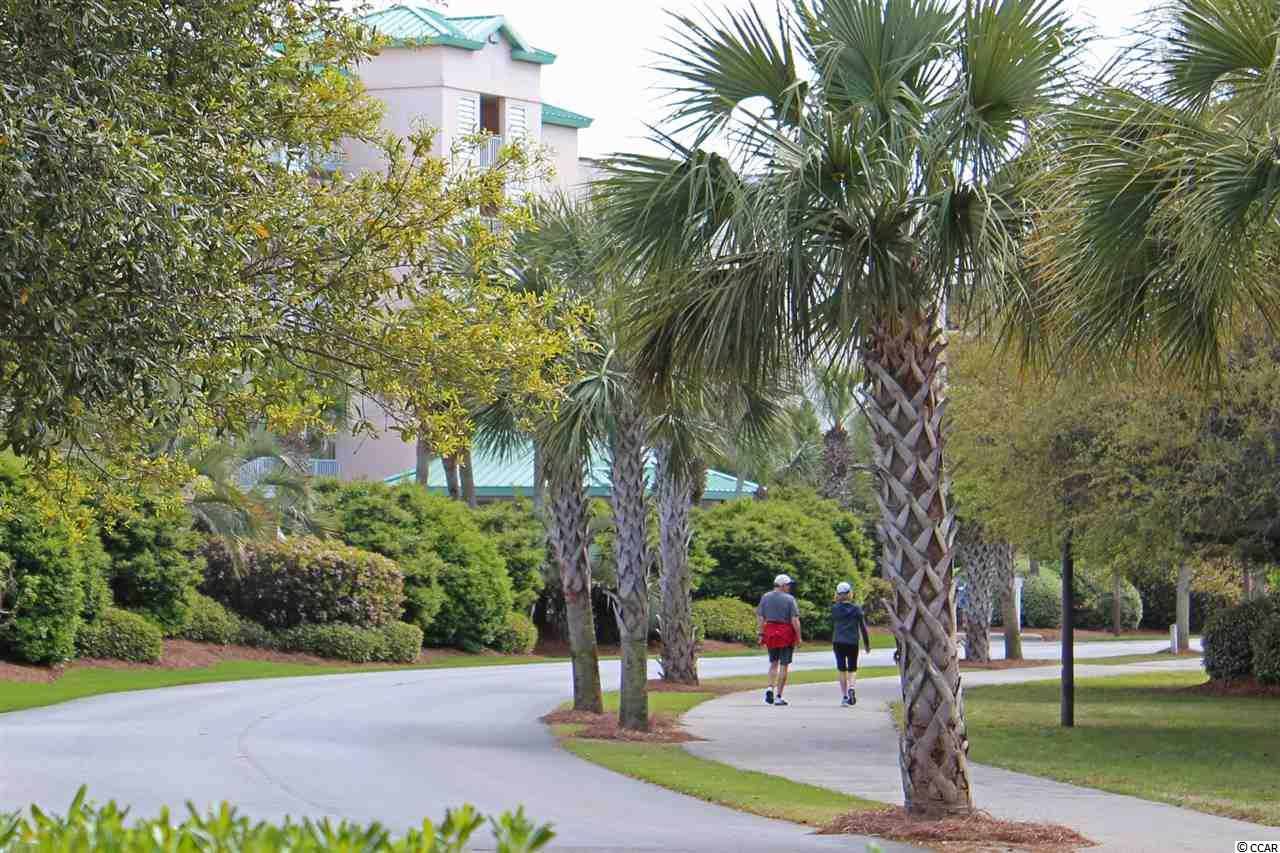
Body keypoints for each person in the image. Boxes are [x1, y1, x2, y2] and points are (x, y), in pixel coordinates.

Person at [757, 573, 801, 706]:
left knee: (773, 662)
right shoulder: (790, 599)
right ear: (782, 585)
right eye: (788, 585)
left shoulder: (765, 597)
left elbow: (760, 617)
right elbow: (794, 619)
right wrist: (798, 637)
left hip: (770, 632)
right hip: (785, 633)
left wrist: (761, 634)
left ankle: (770, 688)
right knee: (784, 665)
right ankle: (779, 696)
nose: (789, 587)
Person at [831, 581, 872, 706]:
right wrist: (867, 644)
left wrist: (837, 599)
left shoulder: (835, 608)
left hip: (838, 641)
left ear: (838, 594)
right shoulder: (856, 609)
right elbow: (863, 628)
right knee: (852, 668)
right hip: (852, 642)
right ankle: (852, 688)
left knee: (841, 669)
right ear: (850, 593)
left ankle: (844, 697)